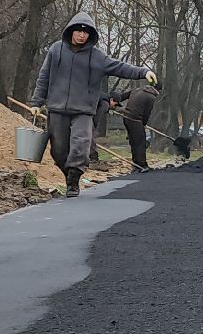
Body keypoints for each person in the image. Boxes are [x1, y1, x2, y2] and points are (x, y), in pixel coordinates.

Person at [28, 12, 155, 197]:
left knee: (81, 144)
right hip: (57, 109)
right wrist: (37, 101)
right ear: (71, 31)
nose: (81, 35)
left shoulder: (96, 57)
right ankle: (68, 175)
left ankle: (74, 179)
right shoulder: (56, 50)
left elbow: (120, 67)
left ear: (91, 35)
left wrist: (143, 72)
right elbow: (44, 77)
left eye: (86, 32)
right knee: (58, 150)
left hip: (84, 110)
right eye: (78, 31)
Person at [111, 76, 160, 171]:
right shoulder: (151, 97)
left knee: (133, 141)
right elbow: (147, 113)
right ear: (157, 90)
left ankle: (135, 163)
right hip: (136, 120)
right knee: (140, 142)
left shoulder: (137, 90)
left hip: (126, 118)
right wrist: (143, 124)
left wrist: (114, 103)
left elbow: (121, 97)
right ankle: (142, 165)